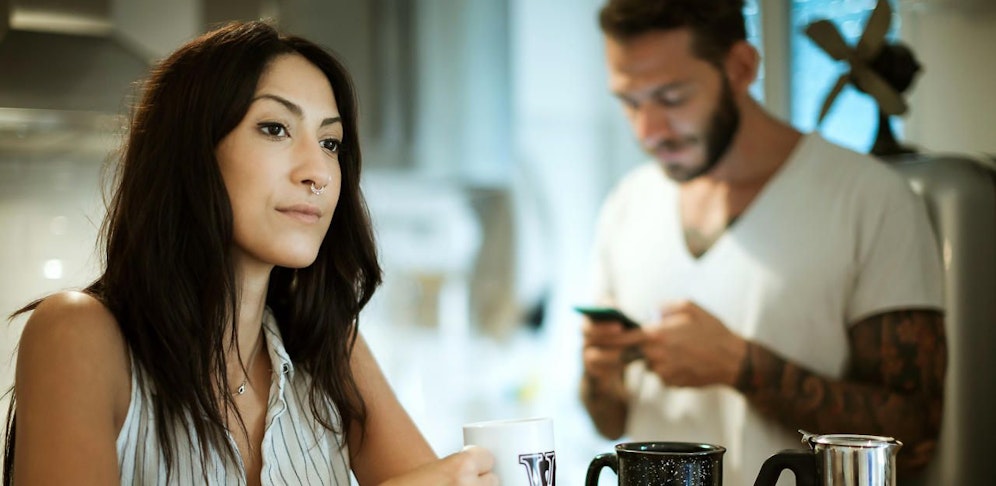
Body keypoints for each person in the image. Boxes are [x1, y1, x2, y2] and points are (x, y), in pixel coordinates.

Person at [1, 20, 495, 485]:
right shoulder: (77, 334)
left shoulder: (328, 350)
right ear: (192, 150)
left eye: (330, 142)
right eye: (276, 128)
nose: (318, 173)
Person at [579, 1, 947, 484]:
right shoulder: (626, 205)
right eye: (630, 102)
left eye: (671, 98)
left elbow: (915, 438)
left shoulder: (870, 199)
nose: (647, 131)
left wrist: (741, 366)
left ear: (741, 67)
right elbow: (609, 422)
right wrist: (600, 377)